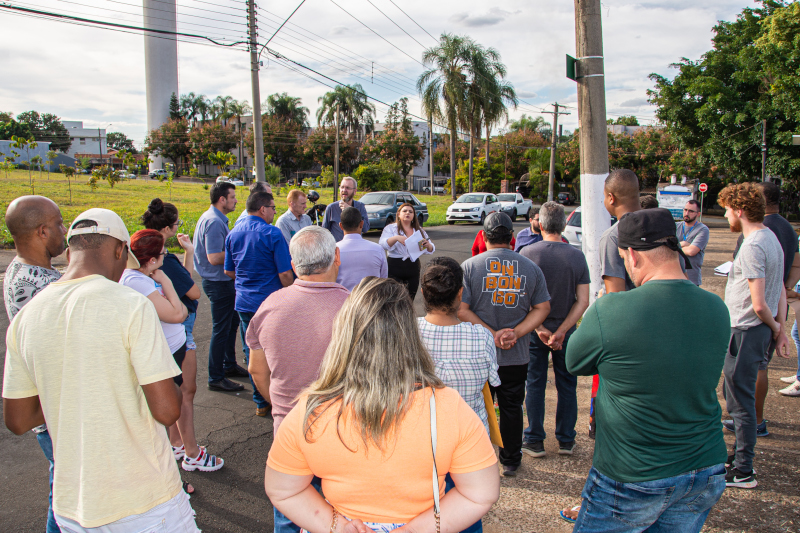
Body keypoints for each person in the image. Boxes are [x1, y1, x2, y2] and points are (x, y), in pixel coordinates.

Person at [3, 208, 199, 531]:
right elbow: (167, 410)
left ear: (69, 252)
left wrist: (77, 386)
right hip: (145, 502)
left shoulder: (27, 317)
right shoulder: (131, 305)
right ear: (120, 250)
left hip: (72, 508)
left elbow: (18, 419)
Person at [263, 277, 500, 531]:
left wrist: (336, 526)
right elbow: (481, 493)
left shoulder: (312, 410)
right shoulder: (448, 406)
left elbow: (283, 490)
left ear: (345, 332)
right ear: (410, 335)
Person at [566, 208, 730, 532]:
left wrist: (602, 309)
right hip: (704, 466)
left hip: (634, 470)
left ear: (632, 256)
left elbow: (575, 361)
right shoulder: (717, 308)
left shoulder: (612, 309)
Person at [246, 225, 349, 533]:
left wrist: (280, 403)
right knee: (341, 516)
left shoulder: (270, 307)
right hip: (344, 434)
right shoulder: (356, 309)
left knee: (289, 512)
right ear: (336, 257)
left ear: (293, 265)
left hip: (288, 431)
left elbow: (256, 370)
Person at [123, 229, 225, 476]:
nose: (165, 256)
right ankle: (191, 453)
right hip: (168, 351)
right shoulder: (137, 281)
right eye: (162, 253)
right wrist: (166, 281)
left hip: (171, 347)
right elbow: (179, 313)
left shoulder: (139, 276)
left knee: (181, 397)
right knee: (178, 400)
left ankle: (178, 444)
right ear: (151, 260)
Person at [458, 212, 550, 477]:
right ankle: (510, 459)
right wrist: (516, 333)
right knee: (512, 407)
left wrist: (492, 334)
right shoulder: (530, 267)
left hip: (478, 354)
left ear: (484, 237)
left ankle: (478, 460)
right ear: (511, 238)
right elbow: (542, 307)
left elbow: (462, 310)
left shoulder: (470, 267)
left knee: (478, 406)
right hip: (517, 354)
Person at [718, 183, 789, 488]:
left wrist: (775, 327)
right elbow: (781, 292)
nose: (724, 214)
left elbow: (759, 303)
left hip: (746, 330)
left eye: (727, 209)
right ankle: (738, 461)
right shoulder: (770, 238)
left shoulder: (752, 246)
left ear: (740, 210)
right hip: (757, 329)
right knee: (734, 395)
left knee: (740, 403)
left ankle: (744, 469)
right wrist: (781, 328)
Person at [3, 195, 66, 533]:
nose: (63, 230)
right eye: (58, 223)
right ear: (42, 231)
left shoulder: (21, 271)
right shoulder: (44, 286)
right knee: (67, 489)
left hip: (47, 403)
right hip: (52, 408)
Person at [519, 202, 590, 458]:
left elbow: (522, 300)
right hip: (566, 330)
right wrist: (562, 330)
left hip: (534, 330)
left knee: (535, 382)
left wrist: (539, 328)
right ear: (564, 225)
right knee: (567, 384)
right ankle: (566, 439)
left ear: (540, 223)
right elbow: (583, 300)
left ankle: (534, 439)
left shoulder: (527, 254)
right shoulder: (577, 256)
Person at [729, 182, 800, 423]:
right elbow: (796, 262)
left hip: (756, 316)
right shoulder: (787, 229)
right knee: (760, 368)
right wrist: (787, 286)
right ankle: (755, 421)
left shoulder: (758, 233)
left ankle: (754, 422)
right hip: (776, 306)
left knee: (752, 374)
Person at [142, 199, 204, 468]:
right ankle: (192, 451)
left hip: (165, 331)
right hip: (180, 330)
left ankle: (176, 443)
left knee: (175, 389)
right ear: (168, 227)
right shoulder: (162, 260)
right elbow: (192, 291)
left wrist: (188, 251)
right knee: (185, 391)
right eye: (177, 223)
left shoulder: (149, 253)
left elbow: (183, 281)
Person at [225, 191, 294, 416]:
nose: (275, 212)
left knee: (251, 349)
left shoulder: (233, 234)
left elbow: (228, 270)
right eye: (273, 208)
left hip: (244, 301)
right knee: (277, 349)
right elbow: (285, 273)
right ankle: (278, 397)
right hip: (270, 301)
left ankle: (260, 401)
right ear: (262, 209)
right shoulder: (272, 233)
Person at [193, 181, 248, 393]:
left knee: (230, 325)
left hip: (222, 282)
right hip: (218, 283)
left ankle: (228, 365)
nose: (236, 201)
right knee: (221, 329)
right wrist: (241, 251)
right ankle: (216, 376)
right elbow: (214, 257)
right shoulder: (215, 221)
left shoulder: (214, 219)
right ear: (222, 199)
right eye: (233, 197)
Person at [379, 202, 435, 300]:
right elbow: (382, 244)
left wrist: (428, 245)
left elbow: (430, 248)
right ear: (399, 214)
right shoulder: (391, 228)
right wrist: (396, 238)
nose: (407, 213)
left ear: (414, 216)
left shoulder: (418, 230)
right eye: (404, 211)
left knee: (409, 299)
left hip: (412, 266)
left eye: (410, 211)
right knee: (394, 299)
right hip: (394, 265)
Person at [336, 206, 387, 291]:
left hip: (343, 302)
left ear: (340, 226)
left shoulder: (333, 251)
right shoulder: (377, 249)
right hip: (370, 301)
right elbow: (383, 279)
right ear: (361, 224)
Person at [322, 177, 370, 241]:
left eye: (347, 188)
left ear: (355, 191)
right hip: (337, 249)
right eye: (342, 187)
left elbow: (365, 228)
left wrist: (351, 211)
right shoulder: (331, 208)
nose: (344, 190)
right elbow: (324, 232)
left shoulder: (360, 206)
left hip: (355, 248)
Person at [678, 199, 710, 286]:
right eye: (685, 210)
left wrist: (674, 247)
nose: (687, 213)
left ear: (698, 214)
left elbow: (691, 251)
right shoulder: (675, 226)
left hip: (692, 279)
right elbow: (665, 247)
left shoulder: (702, 229)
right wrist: (684, 244)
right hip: (675, 277)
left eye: (691, 211)